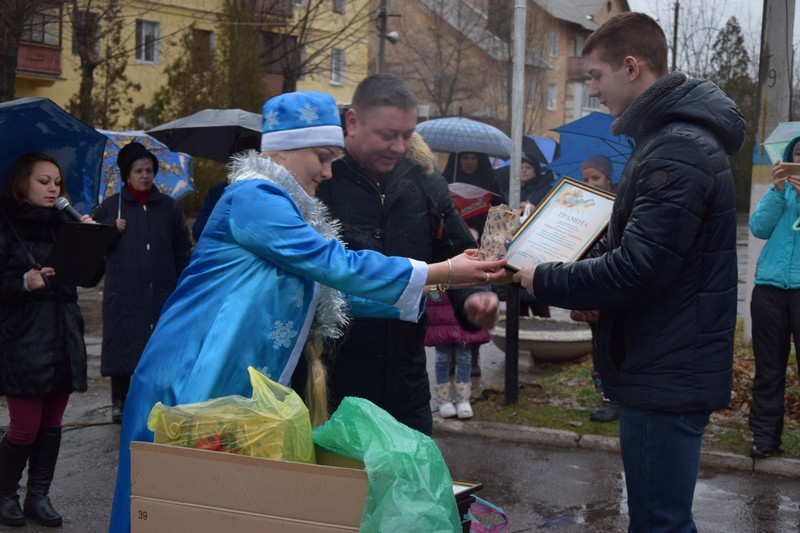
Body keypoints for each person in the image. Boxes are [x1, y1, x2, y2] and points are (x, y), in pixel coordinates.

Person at [108, 90, 506, 533]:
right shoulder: (254, 196)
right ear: (284, 149)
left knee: (216, 507)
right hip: (191, 375)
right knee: (173, 505)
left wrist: (442, 283)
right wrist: (439, 270)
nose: (328, 171)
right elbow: (333, 264)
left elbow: (324, 293)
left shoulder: (279, 206)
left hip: (228, 380)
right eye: (322, 156)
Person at [512, 12, 744, 532]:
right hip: (663, 362)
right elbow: (645, 254)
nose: (592, 89)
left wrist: (543, 277)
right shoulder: (669, 140)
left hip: (664, 371)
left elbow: (639, 268)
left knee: (659, 523)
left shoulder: (677, 149)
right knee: (660, 520)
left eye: (596, 76)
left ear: (632, 67)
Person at [312, 74, 501, 436]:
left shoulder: (425, 178)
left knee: (413, 472)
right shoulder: (320, 178)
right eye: (387, 135)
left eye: (408, 135)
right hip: (333, 380)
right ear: (352, 121)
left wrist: (476, 297)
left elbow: (456, 248)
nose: (399, 147)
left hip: (407, 381)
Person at [0, 153, 95, 528]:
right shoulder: (5, 224)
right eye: (43, 181)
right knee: (24, 427)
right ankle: (5, 494)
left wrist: (91, 239)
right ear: (21, 182)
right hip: (23, 339)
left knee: (53, 423)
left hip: (64, 337)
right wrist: (23, 283)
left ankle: (38, 497)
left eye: (57, 182)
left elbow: (89, 276)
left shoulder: (64, 224)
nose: (53, 188)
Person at [93, 142, 193, 424]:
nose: (145, 175)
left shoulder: (169, 207)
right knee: (122, 342)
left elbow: (182, 248)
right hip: (124, 290)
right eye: (139, 171)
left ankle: (158, 399)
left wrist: (185, 282)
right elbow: (92, 249)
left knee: (160, 344)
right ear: (127, 175)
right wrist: (109, 228)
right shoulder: (110, 207)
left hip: (162, 288)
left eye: (149, 170)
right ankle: (119, 400)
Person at [748, 136, 800, 459]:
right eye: (798, 153)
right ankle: (765, 436)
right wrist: (778, 192)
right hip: (769, 288)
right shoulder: (780, 191)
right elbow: (758, 227)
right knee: (768, 368)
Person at [569, 154, 620, 423]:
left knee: (614, 345)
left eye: (596, 178)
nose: (590, 183)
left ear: (608, 179)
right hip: (589, 284)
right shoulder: (582, 207)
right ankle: (606, 396)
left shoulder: (621, 206)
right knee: (597, 344)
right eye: (585, 178)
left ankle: (617, 397)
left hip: (612, 286)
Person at [443, 151, 502, 376]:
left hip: (483, 253)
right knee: (446, 312)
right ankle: (448, 354)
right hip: (449, 254)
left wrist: (486, 240)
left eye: (473, 158)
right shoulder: (442, 185)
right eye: (464, 158)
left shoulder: (492, 184)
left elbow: (503, 218)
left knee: (479, 306)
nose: (469, 162)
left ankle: (474, 356)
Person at [424, 291, 489, 418]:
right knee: (442, 358)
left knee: (464, 357)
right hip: (441, 313)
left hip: (461, 309)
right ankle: (444, 400)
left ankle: (463, 399)